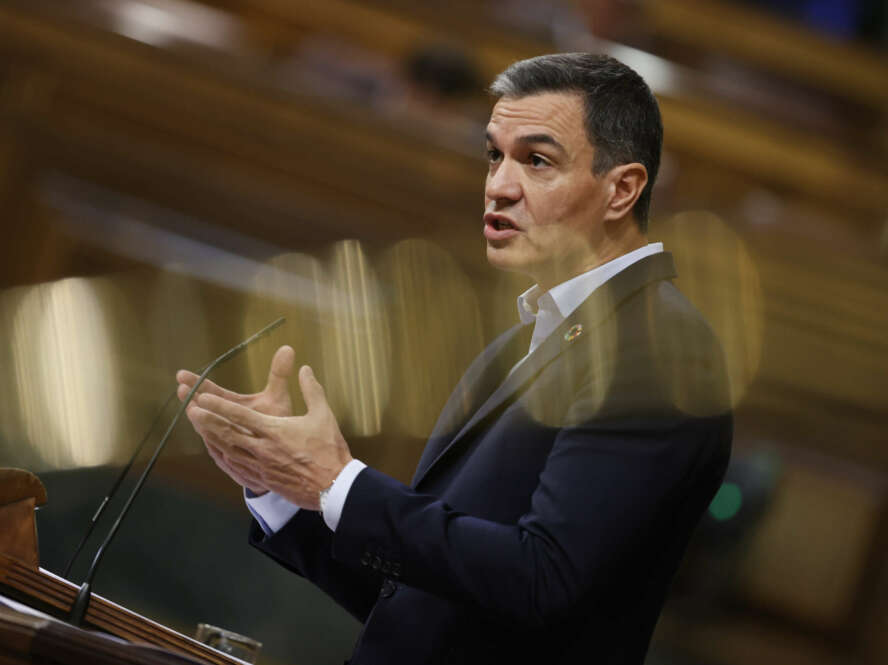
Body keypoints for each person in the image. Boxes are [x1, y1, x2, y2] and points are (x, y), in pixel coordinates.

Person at [178, 53, 732, 664]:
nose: (498, 185)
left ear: (621, 189)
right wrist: (280, 486)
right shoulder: (520, 344)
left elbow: (543, 580)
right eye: (495, 154)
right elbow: (424, 601)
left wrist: (341, 484)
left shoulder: (658, 349)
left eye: (537, 161)